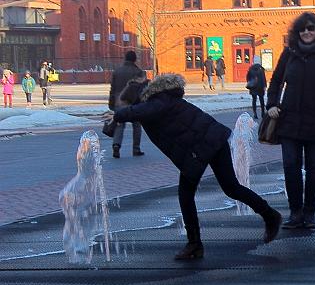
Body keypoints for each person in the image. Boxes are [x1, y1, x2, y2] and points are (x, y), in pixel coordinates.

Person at [112, 73, 282, 260]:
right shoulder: (158, 102)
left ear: (136, 100)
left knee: (193, 194)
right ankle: (268, 215)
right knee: (229, 187)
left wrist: (118, 115)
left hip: (204, 143)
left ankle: (195, 243)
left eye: (127, 103)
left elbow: (138, 112)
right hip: (207, 141)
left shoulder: (157, 102)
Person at [266, 12, 315, 230]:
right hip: (289, 120)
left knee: (313, 169)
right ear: (297, 32)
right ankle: (295, 212)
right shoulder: (289, 53)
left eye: (311, 28)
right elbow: (275, 82)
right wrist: (272, 104)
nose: (307, 32)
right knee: (291, 167)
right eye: (302, 29)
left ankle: (309, 214)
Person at [109, 50, 145, 159]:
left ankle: (116, 145)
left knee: (119, 125)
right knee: (137, 125)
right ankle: (136, 148)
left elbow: (113, 89)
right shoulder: (139, 72)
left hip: (119, 103)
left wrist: (111, 103)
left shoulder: (117, 71)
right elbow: (142, 90)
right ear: (134, 59)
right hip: (134, 103)